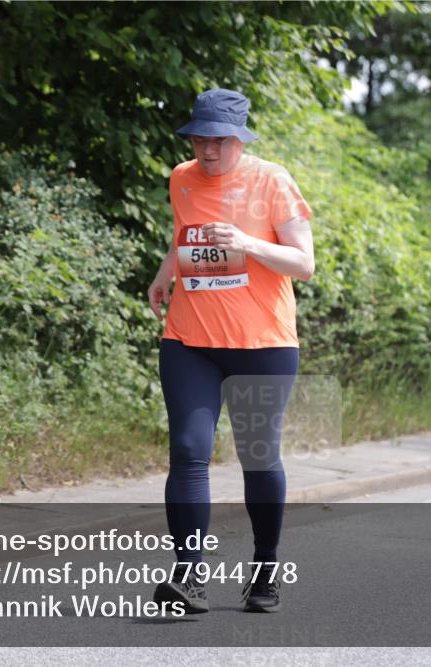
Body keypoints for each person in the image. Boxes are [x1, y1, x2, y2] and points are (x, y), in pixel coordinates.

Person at [147, 88, 314, 614]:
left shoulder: (272, 181)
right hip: (189, 339)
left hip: (261, 344)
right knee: (188, 450)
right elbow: (185, 236)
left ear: (240, 138)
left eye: (219, 139)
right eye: (199, 137)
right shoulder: (181, 178)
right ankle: (189, 578)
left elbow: (303, 263)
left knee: (259, 458)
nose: (208, 149)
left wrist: (248, 242)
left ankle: (265, 570)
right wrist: (164, 274)